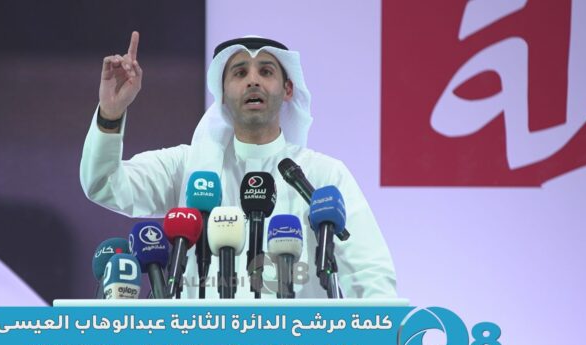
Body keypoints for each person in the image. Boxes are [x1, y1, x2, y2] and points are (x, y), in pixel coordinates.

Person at [80, 31, 396, 300]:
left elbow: (369, 272)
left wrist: (383, 339)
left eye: (266, 72)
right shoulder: (188, 167)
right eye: (240, 73)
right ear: (222, 93)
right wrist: (111, 113)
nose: (253, 81)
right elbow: (104, 184)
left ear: (288, 90)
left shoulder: (322, 175)